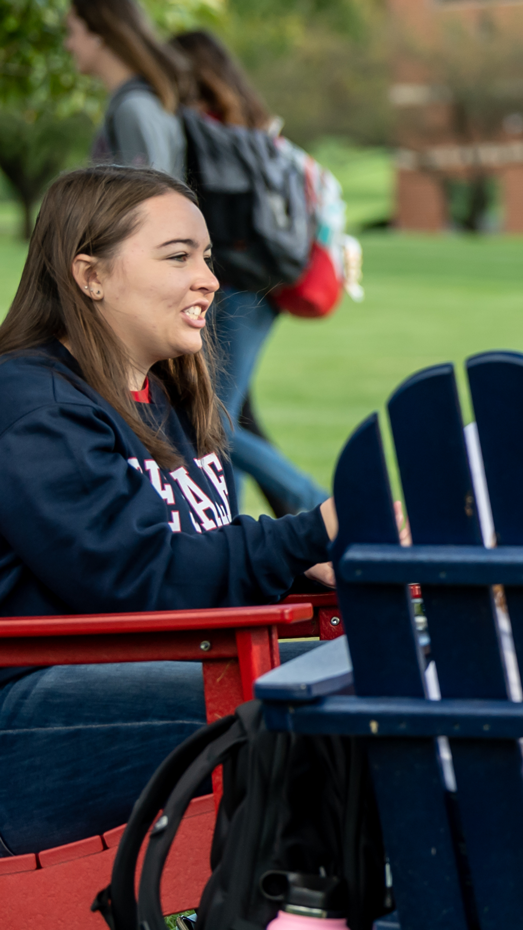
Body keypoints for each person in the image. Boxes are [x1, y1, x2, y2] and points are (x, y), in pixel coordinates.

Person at [0, 165, 337, 857]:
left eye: (207, 257)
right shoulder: (33, 405)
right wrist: (309, 532)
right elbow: (139, 581)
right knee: (346, 704)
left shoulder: (163, 398)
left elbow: (192, 550)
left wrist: (314, 564)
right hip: (32, 717)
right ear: (89, 274)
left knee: (397, 668)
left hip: (149, 672)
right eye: (178, 256)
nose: (209, 278)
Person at [169, 29, 331, 516]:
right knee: (230, 411)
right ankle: (229, 521)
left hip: (238, 285)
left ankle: (312, 501)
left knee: (211, 421)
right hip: (265, 280)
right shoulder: (253, 125)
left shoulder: (202, 130)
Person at [66, 0, 187, 179]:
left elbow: (149, 200)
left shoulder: (133, 109)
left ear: (97, 35)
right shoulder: (139, 103)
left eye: (72, 32)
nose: (68, 45)